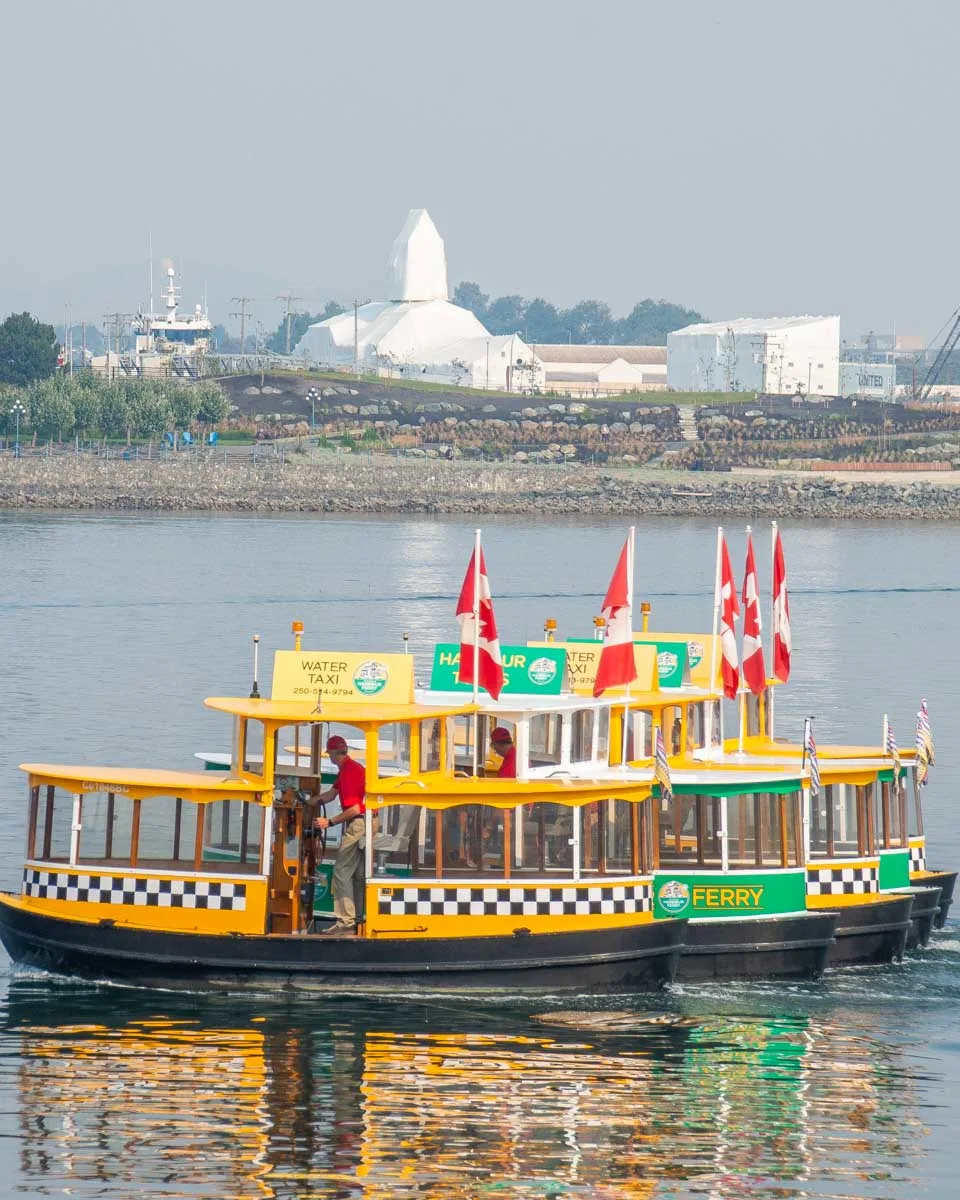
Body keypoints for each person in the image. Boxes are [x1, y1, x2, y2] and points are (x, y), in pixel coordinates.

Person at [311, 735, 367, 934]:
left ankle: (345, 924)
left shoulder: (350, 772)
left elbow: (353, 809)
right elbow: (332, 794)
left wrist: (329, 822)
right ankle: (358, 919)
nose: (330, 759)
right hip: (364, 822)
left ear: (335, 753)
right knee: (358, 874)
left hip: (358, 823)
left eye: (330, 754)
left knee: (341, 871)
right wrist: (310, 801)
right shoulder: (348, 769)